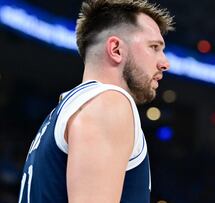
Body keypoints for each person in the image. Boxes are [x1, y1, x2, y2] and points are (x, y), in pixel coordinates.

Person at [18, 0, 174, 202]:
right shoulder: (109, 103)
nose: (165, 63)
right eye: (154, 47)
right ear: (116, 49)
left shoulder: (65, 110)